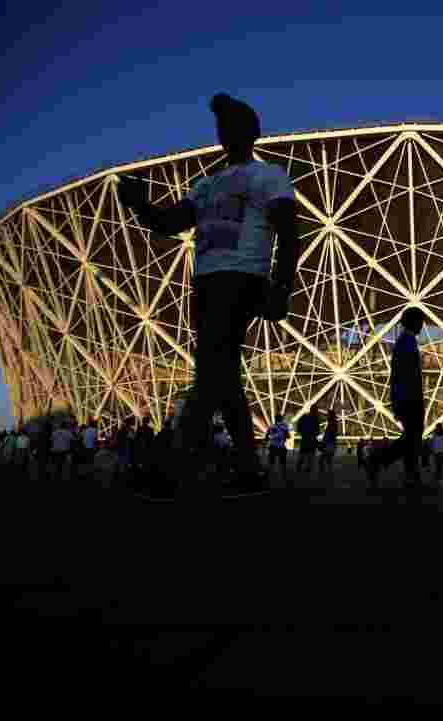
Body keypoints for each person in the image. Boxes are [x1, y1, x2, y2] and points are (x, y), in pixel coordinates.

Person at [117, 93, 298, 498]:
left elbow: (289, 232)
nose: (224, 132)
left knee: (210, 373)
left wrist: (282, 287)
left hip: (242, 278)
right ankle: (250, 471)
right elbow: (169, 223)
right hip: (206, 283)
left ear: (251, 132)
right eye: (221, 126)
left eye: (233, 124)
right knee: (225, 376)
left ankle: (170, 468)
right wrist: (140, 206)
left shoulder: (269, 175)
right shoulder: (206, 185)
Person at [366, 307, 426, 489]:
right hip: (409, 398)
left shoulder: (405, 341)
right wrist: (405, 400)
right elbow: (407, 375)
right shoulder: (406, 343)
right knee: (412, 437)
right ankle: (378, 460)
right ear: (413, 322)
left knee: (412, 437)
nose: (422, 325)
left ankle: (410, 476)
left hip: (405, 397)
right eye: (420, 321)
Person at [265, 414, 291, 485]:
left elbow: (266, 437)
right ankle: (284, 478)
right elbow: (288, 436)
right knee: (282, 463)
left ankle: (269, 477)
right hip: (281, 447)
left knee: (271, 462)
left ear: (275, 419)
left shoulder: (271, 426)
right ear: (281, 419)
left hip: (273, 446)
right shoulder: (284, 427)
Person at [296, 409, 319, 475]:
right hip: (311, 439)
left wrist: (303, 433)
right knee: (310, 455)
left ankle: (299, 467)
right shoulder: (315, 419)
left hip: (305, 438)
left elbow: (299, 428)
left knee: (302, 454)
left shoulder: (304, 417)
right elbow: (317, 430)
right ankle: (308, 468)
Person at [319, 409, 338, 478]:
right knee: (328, 460)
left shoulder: (331, 425)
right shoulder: (334, 424)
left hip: (329, 444)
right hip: (331, 444)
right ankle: (329, 473)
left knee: (322, 460)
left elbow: (328, 435)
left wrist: (323, 442)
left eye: (328, 415)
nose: (327, 416)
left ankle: (323, 474)